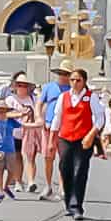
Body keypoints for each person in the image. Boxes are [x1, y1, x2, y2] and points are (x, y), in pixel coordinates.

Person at [52, 65, 107, 219]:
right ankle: (69, 202)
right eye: (72, 80)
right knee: (65, 168)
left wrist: (92, 134)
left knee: (80, 171)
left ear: (84, 82)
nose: (75, 83)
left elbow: (100, 118)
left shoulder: (91, 97)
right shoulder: (64, 97)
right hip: (65, 137)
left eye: (78, 80)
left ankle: (77, 206)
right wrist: (52, 139)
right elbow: (57, 117)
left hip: (83, 139)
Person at [33, 64, 68, 198]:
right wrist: (38, 116)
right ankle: (48, 185)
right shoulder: (48, 87)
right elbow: (39, 103)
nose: (62, 76)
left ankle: (62, 187)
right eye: (60, 73)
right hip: (48, 126)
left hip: (64, 128)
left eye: (65, 74)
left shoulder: (71, 89)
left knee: (63, 158)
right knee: (48, 157)